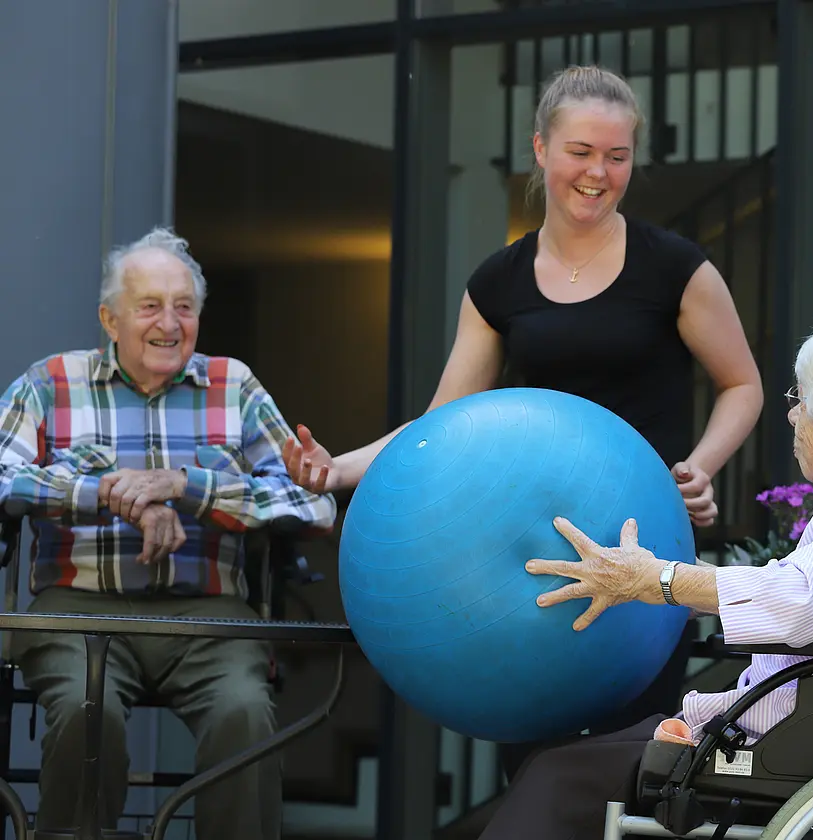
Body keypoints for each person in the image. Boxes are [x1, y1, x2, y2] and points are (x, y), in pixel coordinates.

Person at [282, 64, 764, 774]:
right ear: (540, 149)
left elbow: (743, 384)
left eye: (617, 156)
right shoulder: (498, 283)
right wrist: (338, 470)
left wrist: (701, 464)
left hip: (643, 548)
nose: (598, 173)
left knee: (636, 760)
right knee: (534, 760)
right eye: (581, 152)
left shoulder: (675, 269)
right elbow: (442, 420)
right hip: (528, 553)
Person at [475, 319, 813, 840]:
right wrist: (688, 585)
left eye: (799, 400)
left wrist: (660, 579)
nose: (792, 414)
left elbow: (805, 602)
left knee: (555, 774)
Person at [0, 227, 337, 840]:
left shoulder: (234, 386)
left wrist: (185, 487)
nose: (169, 323)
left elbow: (314, 502)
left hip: (210, 616)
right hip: (80, 610)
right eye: (149, 306)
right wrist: (108, 494)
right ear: (110, 319)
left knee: (244, 712)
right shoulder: (51, 382)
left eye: (184, 307)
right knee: (87, 710)